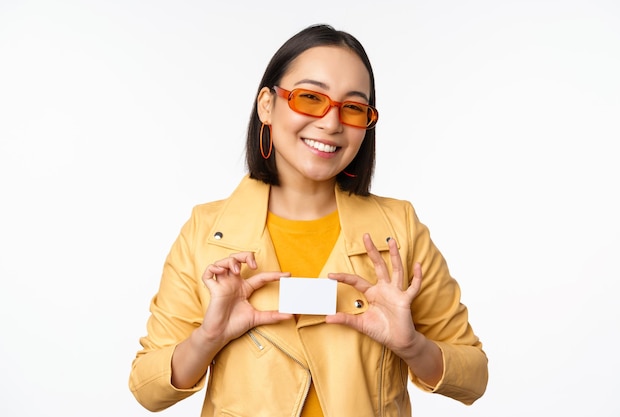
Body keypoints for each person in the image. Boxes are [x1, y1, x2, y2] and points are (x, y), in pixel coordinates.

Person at [129, 23, 488, 417]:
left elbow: (474, 378)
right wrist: (209, 336)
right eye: (310, 98)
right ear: (266, 104)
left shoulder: (398, 228)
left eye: (352, 107)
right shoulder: (206, 232)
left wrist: (412, 346)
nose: (332, 123)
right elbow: (148, 389)